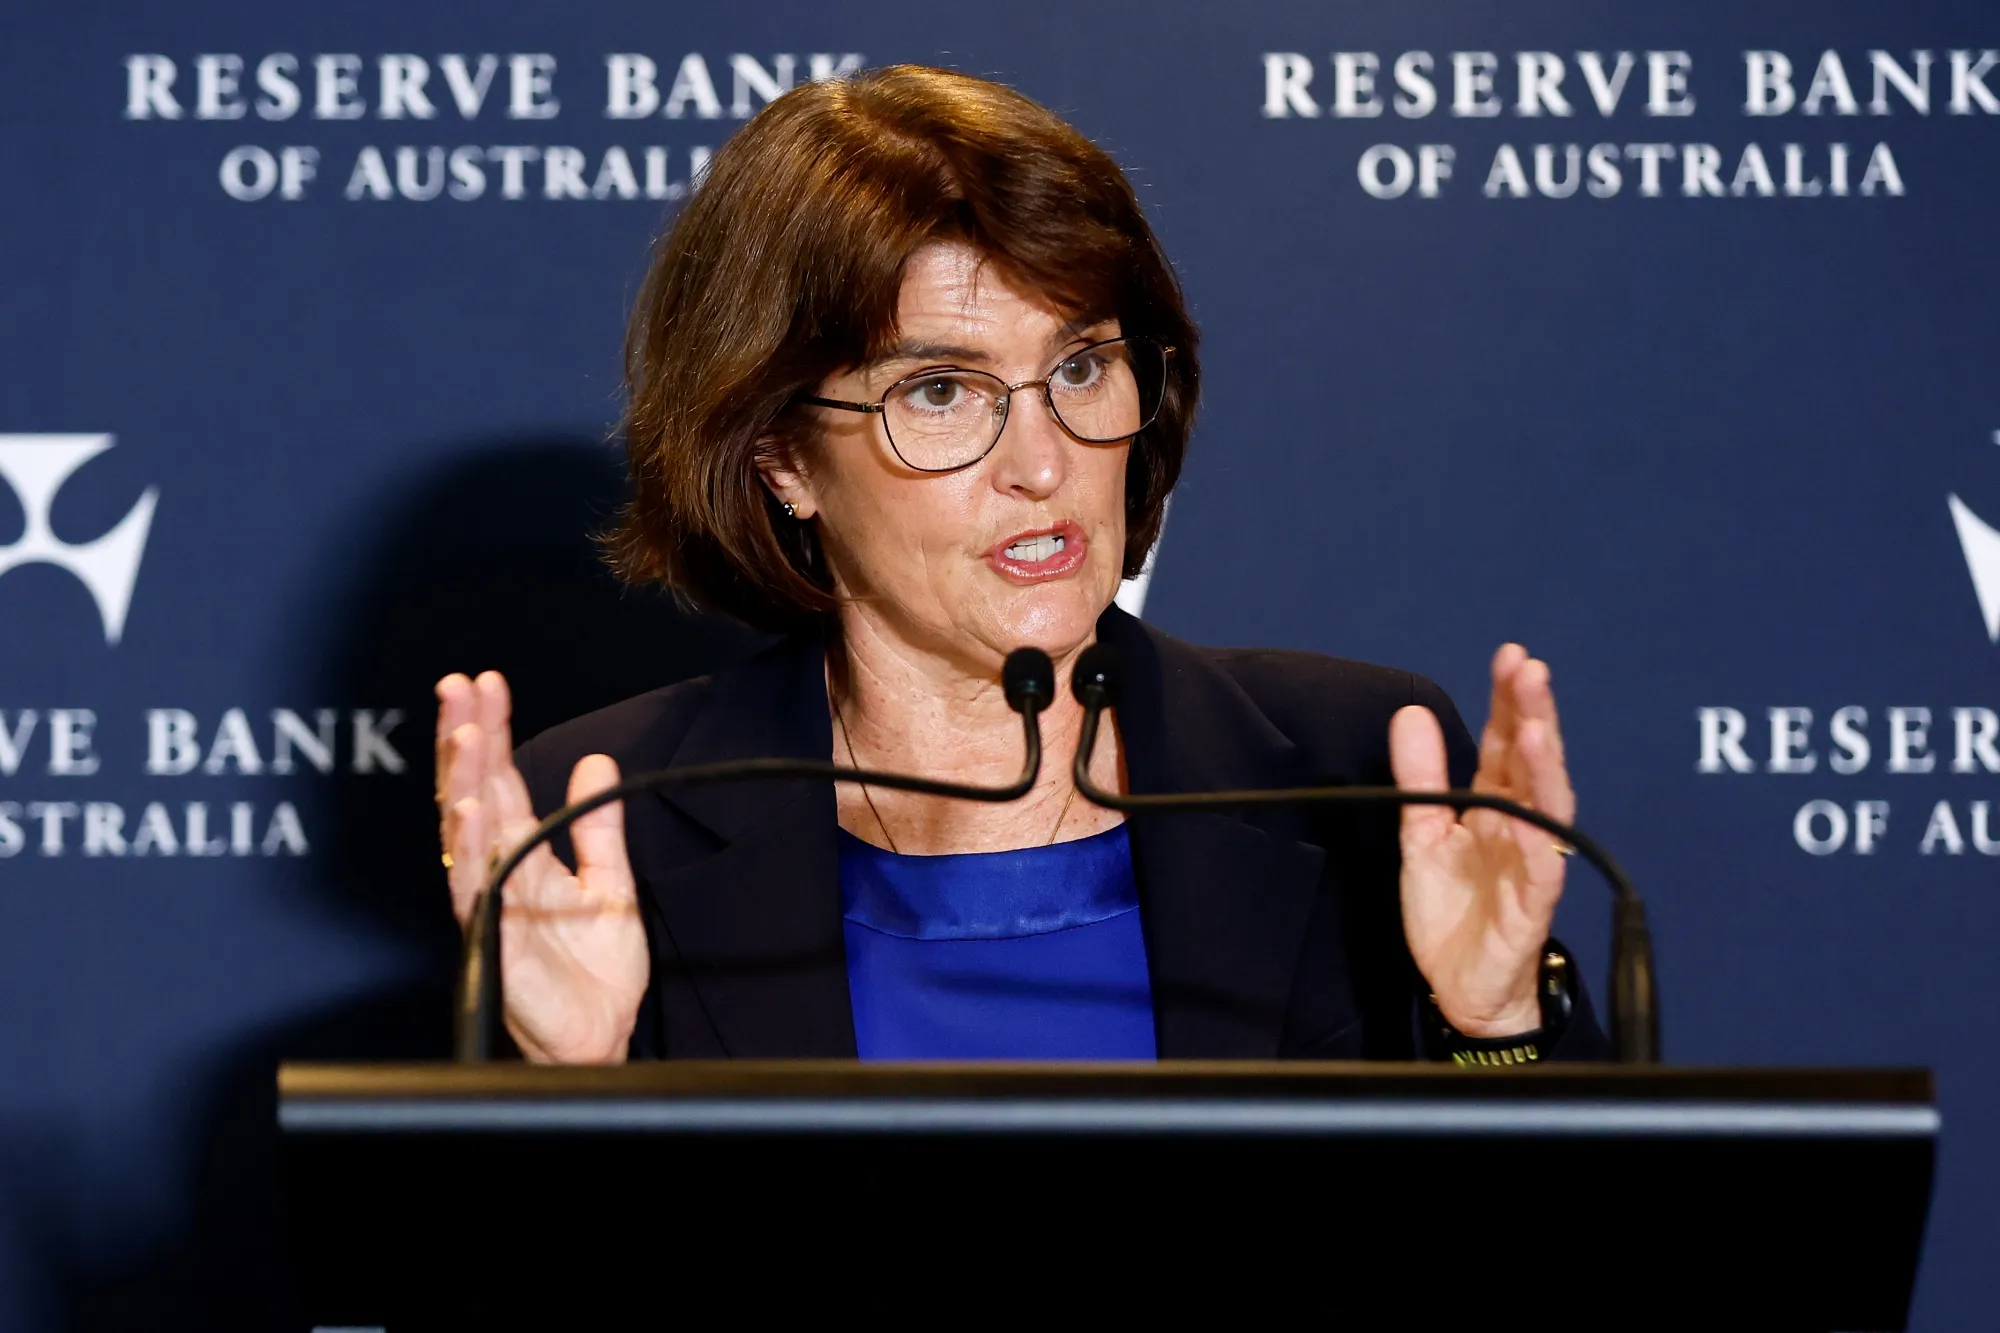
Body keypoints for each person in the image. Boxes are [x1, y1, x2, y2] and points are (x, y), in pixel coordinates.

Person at [431, 64, 1606, 1064]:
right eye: (941, 391)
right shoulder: (606, 819)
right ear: (781, 457)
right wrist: (569, 1093)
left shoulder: (1357, 773)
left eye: (1081, 367)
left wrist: (1493, 1024)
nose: (1042, 465)